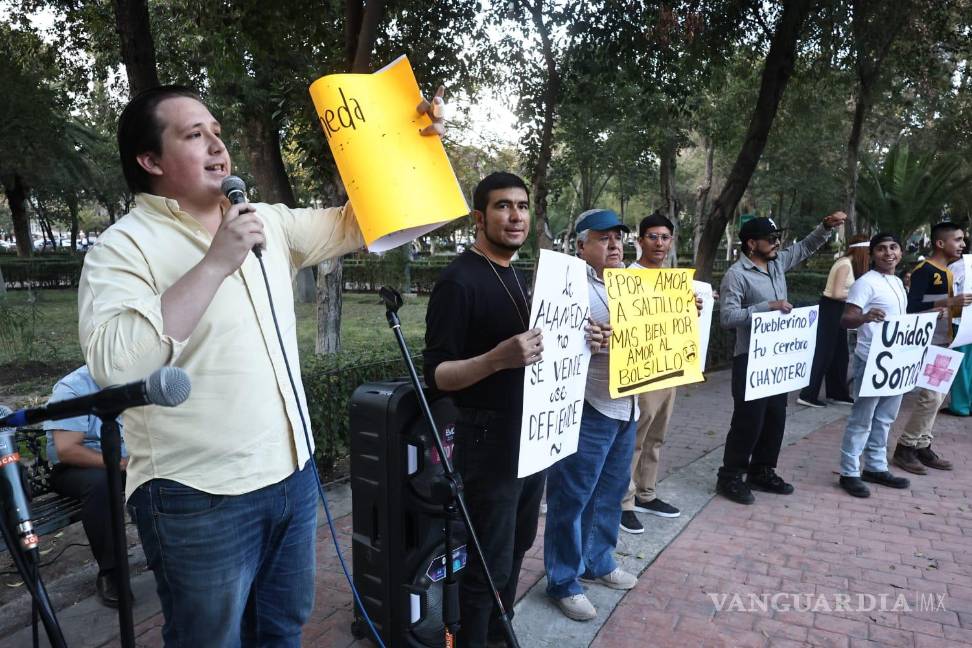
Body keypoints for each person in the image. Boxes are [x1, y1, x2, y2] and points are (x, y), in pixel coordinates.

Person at [78, 84, 444, 647]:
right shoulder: (121, 248)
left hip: (292, 477)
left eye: (216, 132)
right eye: (193, 135)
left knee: (281, 630)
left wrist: (407, 145)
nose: (216, 146)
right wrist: (216, 262)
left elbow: (363, 220)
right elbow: (114, 364)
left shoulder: (266, 221)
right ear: (150, 161)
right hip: (195, 494)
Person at [424, 173, 602, 647]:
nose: (516, 216)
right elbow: (436, 376)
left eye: (522, 206)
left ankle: (499, 636)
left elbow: (543, 347)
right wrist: (496, 359)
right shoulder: (458, 281)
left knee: (519, 545)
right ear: (480, 218)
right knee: (489, 560)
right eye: (503, 207)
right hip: (487, 441)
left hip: (531, 437)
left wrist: (584, 339)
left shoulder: (517, 275)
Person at [544, 208, 639, 622]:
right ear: (581, 245)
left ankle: (599, 561)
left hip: (627, 406)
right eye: (603, 238)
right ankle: (564, 580)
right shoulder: (567, 288)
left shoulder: (635, 284)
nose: (614, 244)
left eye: (618, 236)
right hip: (589, 406)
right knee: (572, 497)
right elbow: (553, 338)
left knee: (611, 493)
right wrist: (585, 339)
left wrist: (682, 312)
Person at [717, 211, 846, 505]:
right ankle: (730, 477)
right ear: (752, 244)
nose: (777, 243)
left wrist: (825, 226)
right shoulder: (736, 275)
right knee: (749, 420)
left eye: (778, 238)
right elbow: (726, 317)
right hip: (751, 358)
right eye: (771, 239)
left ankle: (762, 470)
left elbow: (804, 247)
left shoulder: (777, 264)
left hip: (778, 360)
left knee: (775, 417)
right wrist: (767, 307)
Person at [618, 211, 702, 534]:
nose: (659, 243)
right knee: (636, 436)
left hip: (671, 367)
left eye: (665, 237)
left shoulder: (674, 279)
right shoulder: (627, 277)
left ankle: (646, 492)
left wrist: (692, 309)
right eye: (652, 236)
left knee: (658, 435)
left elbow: (680, 324)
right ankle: (623, 501)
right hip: (641, 369)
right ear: (640, 241)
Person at [44, 366, 129, 608]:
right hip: (77, 468)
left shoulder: (141, 373)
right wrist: (122, 464)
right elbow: (67, 450)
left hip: (127, 462)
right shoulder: (73, 387)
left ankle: (169, 555)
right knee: (101, 482)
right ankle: (111, 571)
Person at [892, 222, 971, 474]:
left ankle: (922, 444)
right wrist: (949, 301)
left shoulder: (947, 271)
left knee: (937, 397)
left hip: (945, 340)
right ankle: (905, 447)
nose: (963, 244)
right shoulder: (924, 269)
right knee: (930, 397)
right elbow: (912, 305)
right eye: (958, 240)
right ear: (940, 243)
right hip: (929, 342)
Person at [837, 234, 912, 497]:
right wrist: (865, 317)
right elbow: (846, 319)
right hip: (871, 360)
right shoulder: (865, 283)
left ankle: (876, 467)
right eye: (881, 249)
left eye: (893, 247)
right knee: (863, 418)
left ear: (900, 252)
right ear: (872, 255)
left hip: (896, 361)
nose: (888, 253)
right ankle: (849, 471)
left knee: (885, 417)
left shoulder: (897, 282)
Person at [797, 234, 870, 407]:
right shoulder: (844, 264)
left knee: (840, 354)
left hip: (839, 309)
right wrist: (857, 296)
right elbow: (836, 294)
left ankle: (837, 392)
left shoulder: (849, 264)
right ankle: (807, 394)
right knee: (824, 353)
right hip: (830, 308)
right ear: (862, 250)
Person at [945, 255, 971, 416]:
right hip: (964, 320)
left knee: (959, 365)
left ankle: (960, 406)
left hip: (961, 322)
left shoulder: (959, 267)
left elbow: (948, 295)